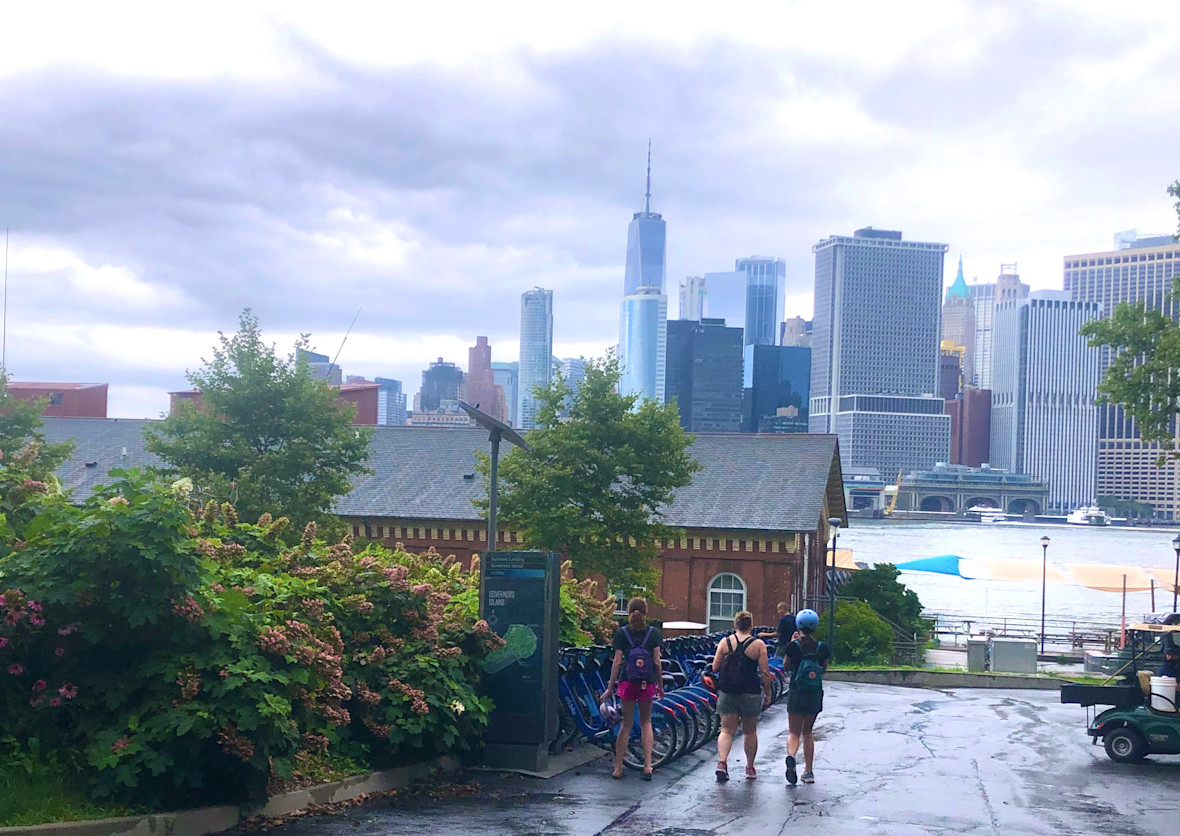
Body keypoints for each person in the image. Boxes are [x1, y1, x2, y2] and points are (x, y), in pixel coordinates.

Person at [605, 597, 663, 780]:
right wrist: (659, 683)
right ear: (645, 612)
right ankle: (647, 765)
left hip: (627, 682)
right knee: (646, 722)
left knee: (626, 723)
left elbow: (617, 661)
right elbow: (656, 662)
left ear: (629, 611)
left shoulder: (621, 633)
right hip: (647, 682)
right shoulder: (654, 633)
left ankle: (618, 767)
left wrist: (609, 687)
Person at [712, 610, 772, 782]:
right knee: (750, 731)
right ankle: (750, 767)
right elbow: (765, 672)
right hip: (750, 692)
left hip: (728, 691)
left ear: (735, 625)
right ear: (751, 626)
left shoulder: (725, 642)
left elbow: (715, 667)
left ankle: (722, 763)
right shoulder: (758, 645)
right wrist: (767, 694)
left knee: (726, 730)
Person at [783, 608, 830, 785]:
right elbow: (823, 669)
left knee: (794, 731)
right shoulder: (821, 647)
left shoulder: (793, 646)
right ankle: (808, 772)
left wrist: (791, 643)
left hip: (796, 690)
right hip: (814, 693)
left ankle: (791, 756)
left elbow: (786, 666)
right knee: (808, 732)